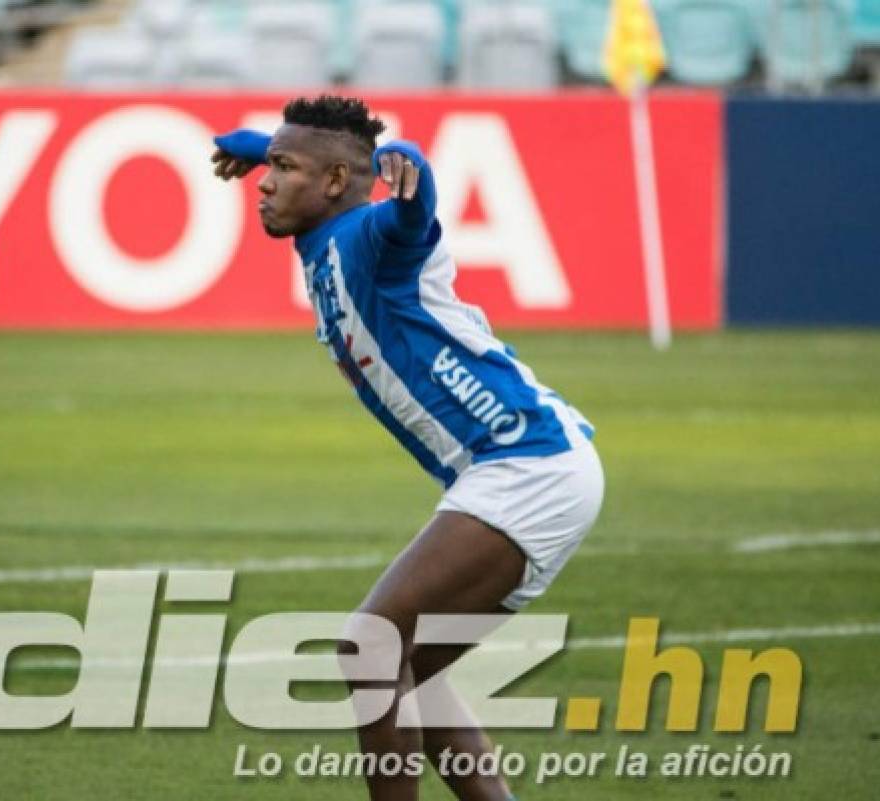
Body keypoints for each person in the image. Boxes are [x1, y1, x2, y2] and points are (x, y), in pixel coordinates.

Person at [210, 95, 604, 801]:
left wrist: (412, 168)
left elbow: (411, 218)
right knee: (411, 673)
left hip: (527, 461)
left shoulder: (370, 238)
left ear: (334, 182)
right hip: (517, 465)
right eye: (267, 166)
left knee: (371, 646)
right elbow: (335, 176)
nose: (263, 182)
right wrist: (267, 144)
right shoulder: (322, 238)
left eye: (282, 167)